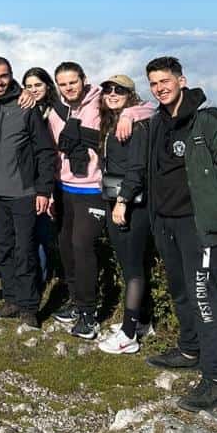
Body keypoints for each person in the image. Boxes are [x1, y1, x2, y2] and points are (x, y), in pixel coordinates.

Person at [143, 57, 217, 411]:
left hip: (200, 226)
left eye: (165, 81)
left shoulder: (209, 121)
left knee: (204, 297)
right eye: (154, 83)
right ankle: (189, 349)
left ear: (181, 81)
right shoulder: (158, 122)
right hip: (167, 223)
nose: (160, 88)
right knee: (182, 290)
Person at [47, 62, 150, 339]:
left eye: (73, 82)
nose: (69, 88)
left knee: (82, 246)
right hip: (64, 188)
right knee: (66, 247)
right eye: (63, 84)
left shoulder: (99, 102)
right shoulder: (56, 111)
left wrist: (128, 114)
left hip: (92, 190)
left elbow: (147, 107)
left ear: (84, 80)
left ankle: (89, 314)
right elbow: (52, 150)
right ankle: (76, 301)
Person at [0, 58, 55, 328]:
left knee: (25, 251)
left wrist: (43, 189)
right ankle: (11, 299)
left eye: (3, 76)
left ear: (11, 75)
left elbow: (45, 151)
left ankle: (29, 307)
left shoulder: (27, 107)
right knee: (3, 249)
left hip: (24, 192)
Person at [95, 75, 154, 355]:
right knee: (131, 264)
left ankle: (129, 335)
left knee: (132, 268)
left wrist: (123, 201)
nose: (112, 93)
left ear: (130, 94)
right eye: (108, 89)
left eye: (119, 90)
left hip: (130, 204)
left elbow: (137, 168)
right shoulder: (113, 122)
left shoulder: (136, 125)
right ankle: (142, 321)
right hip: (116, 200)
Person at [22, 66, 62, 283]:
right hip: (31, 177)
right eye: (28, 86)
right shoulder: (26, 109)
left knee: (47, 230)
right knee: (35, 229)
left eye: (38, 85)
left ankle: (49, 273)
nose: (33, 90)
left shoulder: (56, 111)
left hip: (54, 176)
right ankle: (40, 274)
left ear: (48, 86)